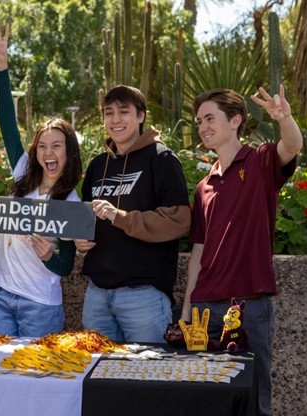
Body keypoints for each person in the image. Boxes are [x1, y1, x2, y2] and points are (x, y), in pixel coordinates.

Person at [181, 85, 302, 416]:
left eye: (210, 118)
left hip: (249, 308)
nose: (203, 126)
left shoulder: (261, 161)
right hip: (205, 309)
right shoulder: (204, 186)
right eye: (199, 120)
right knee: (208, 403)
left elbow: (292, 146)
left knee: (254, 403)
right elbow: (198, 252)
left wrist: (285, 118)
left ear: (235, 120)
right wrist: (186, 309)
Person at [0, 23, 82, 337]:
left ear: (69, 153)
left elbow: (65, 266)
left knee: (36, 382)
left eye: (56, 146)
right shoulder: (23, 170)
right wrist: (2, 69)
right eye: (42, 146)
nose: (48, 153)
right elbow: (7, 125)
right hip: (1, 295)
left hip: (39, 304)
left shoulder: (71, 202)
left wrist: (48, 256)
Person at [74, 85, 190, 344]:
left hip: (143, 296)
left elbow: (178, 221)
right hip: (97, 295)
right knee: (97, 379)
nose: (115, 119)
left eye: (124, 112)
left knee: (148, 379)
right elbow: (85, 217)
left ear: (141, 116)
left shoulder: (162, 159)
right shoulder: (97, 165)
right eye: (109, 112)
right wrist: (80, 239)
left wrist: (121, 217)